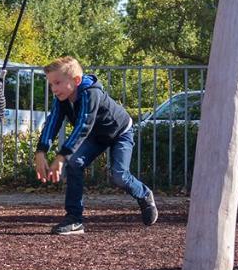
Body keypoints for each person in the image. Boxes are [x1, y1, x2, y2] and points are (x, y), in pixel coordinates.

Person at [34, 56, 157, 235]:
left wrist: (62, 156)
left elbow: (83, 125)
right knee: (74, 163)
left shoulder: (91, 93)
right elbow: (52, 122)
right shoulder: (61, 99)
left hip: (120, 133)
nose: (54, 89)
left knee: (119, 175)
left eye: (58, 83)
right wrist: (41, 151)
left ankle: (144, 194)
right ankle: (74, 219)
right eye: (51, 84)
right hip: (96, 136)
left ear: (76, 80)